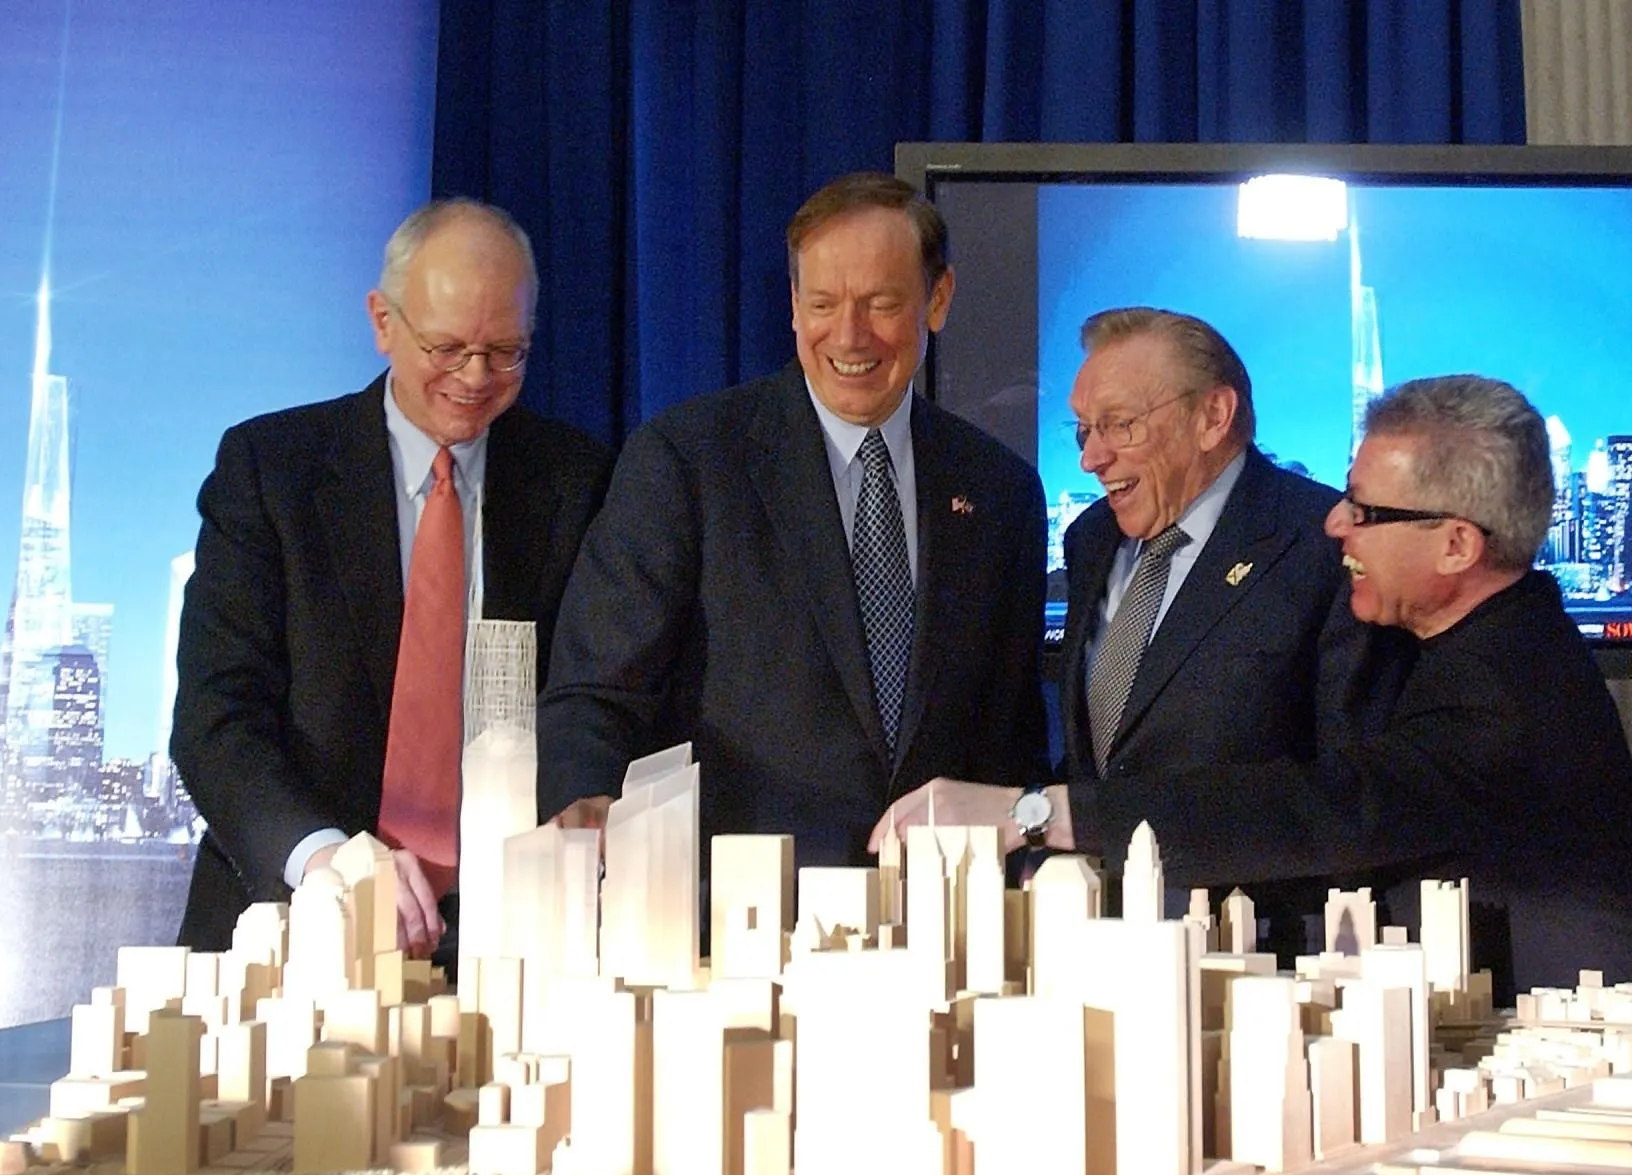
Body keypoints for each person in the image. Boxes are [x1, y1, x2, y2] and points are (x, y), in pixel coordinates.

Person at [875, 374, 1632, 998]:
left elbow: (1320, 809)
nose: (1335, 524)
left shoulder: (1508, 690)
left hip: (1561, 1067)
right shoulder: (1466, 646)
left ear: (1457, 544)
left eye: (1365, 510)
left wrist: (1034, 814)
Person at [537, 172, 1046, 870]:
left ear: (938, 299)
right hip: (741, 911)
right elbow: (595, 690)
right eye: (823, 303)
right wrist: (585, 802)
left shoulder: (999, 491)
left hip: (944, 909)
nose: (850, 334)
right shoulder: (688, 460)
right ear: (794, 307)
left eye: (881, 304)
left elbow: (1010, 739)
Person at [171, 200, 615, 958]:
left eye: (505, 351)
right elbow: (217, 718)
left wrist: (586, 800)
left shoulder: (578, 481)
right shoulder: (272, 471)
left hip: (512, 935)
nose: (475, 377)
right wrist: (325, 858)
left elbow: (600, 693)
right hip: (297, 923)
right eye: (447, 347)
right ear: (383, 322)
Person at [1055, 308, 1399, 791]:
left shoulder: (1326, 546)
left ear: (1213, 417)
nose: (1091, 459)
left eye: (1120, 425)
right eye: (1084, 430)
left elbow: (1350, 787)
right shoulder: (1090, 538)